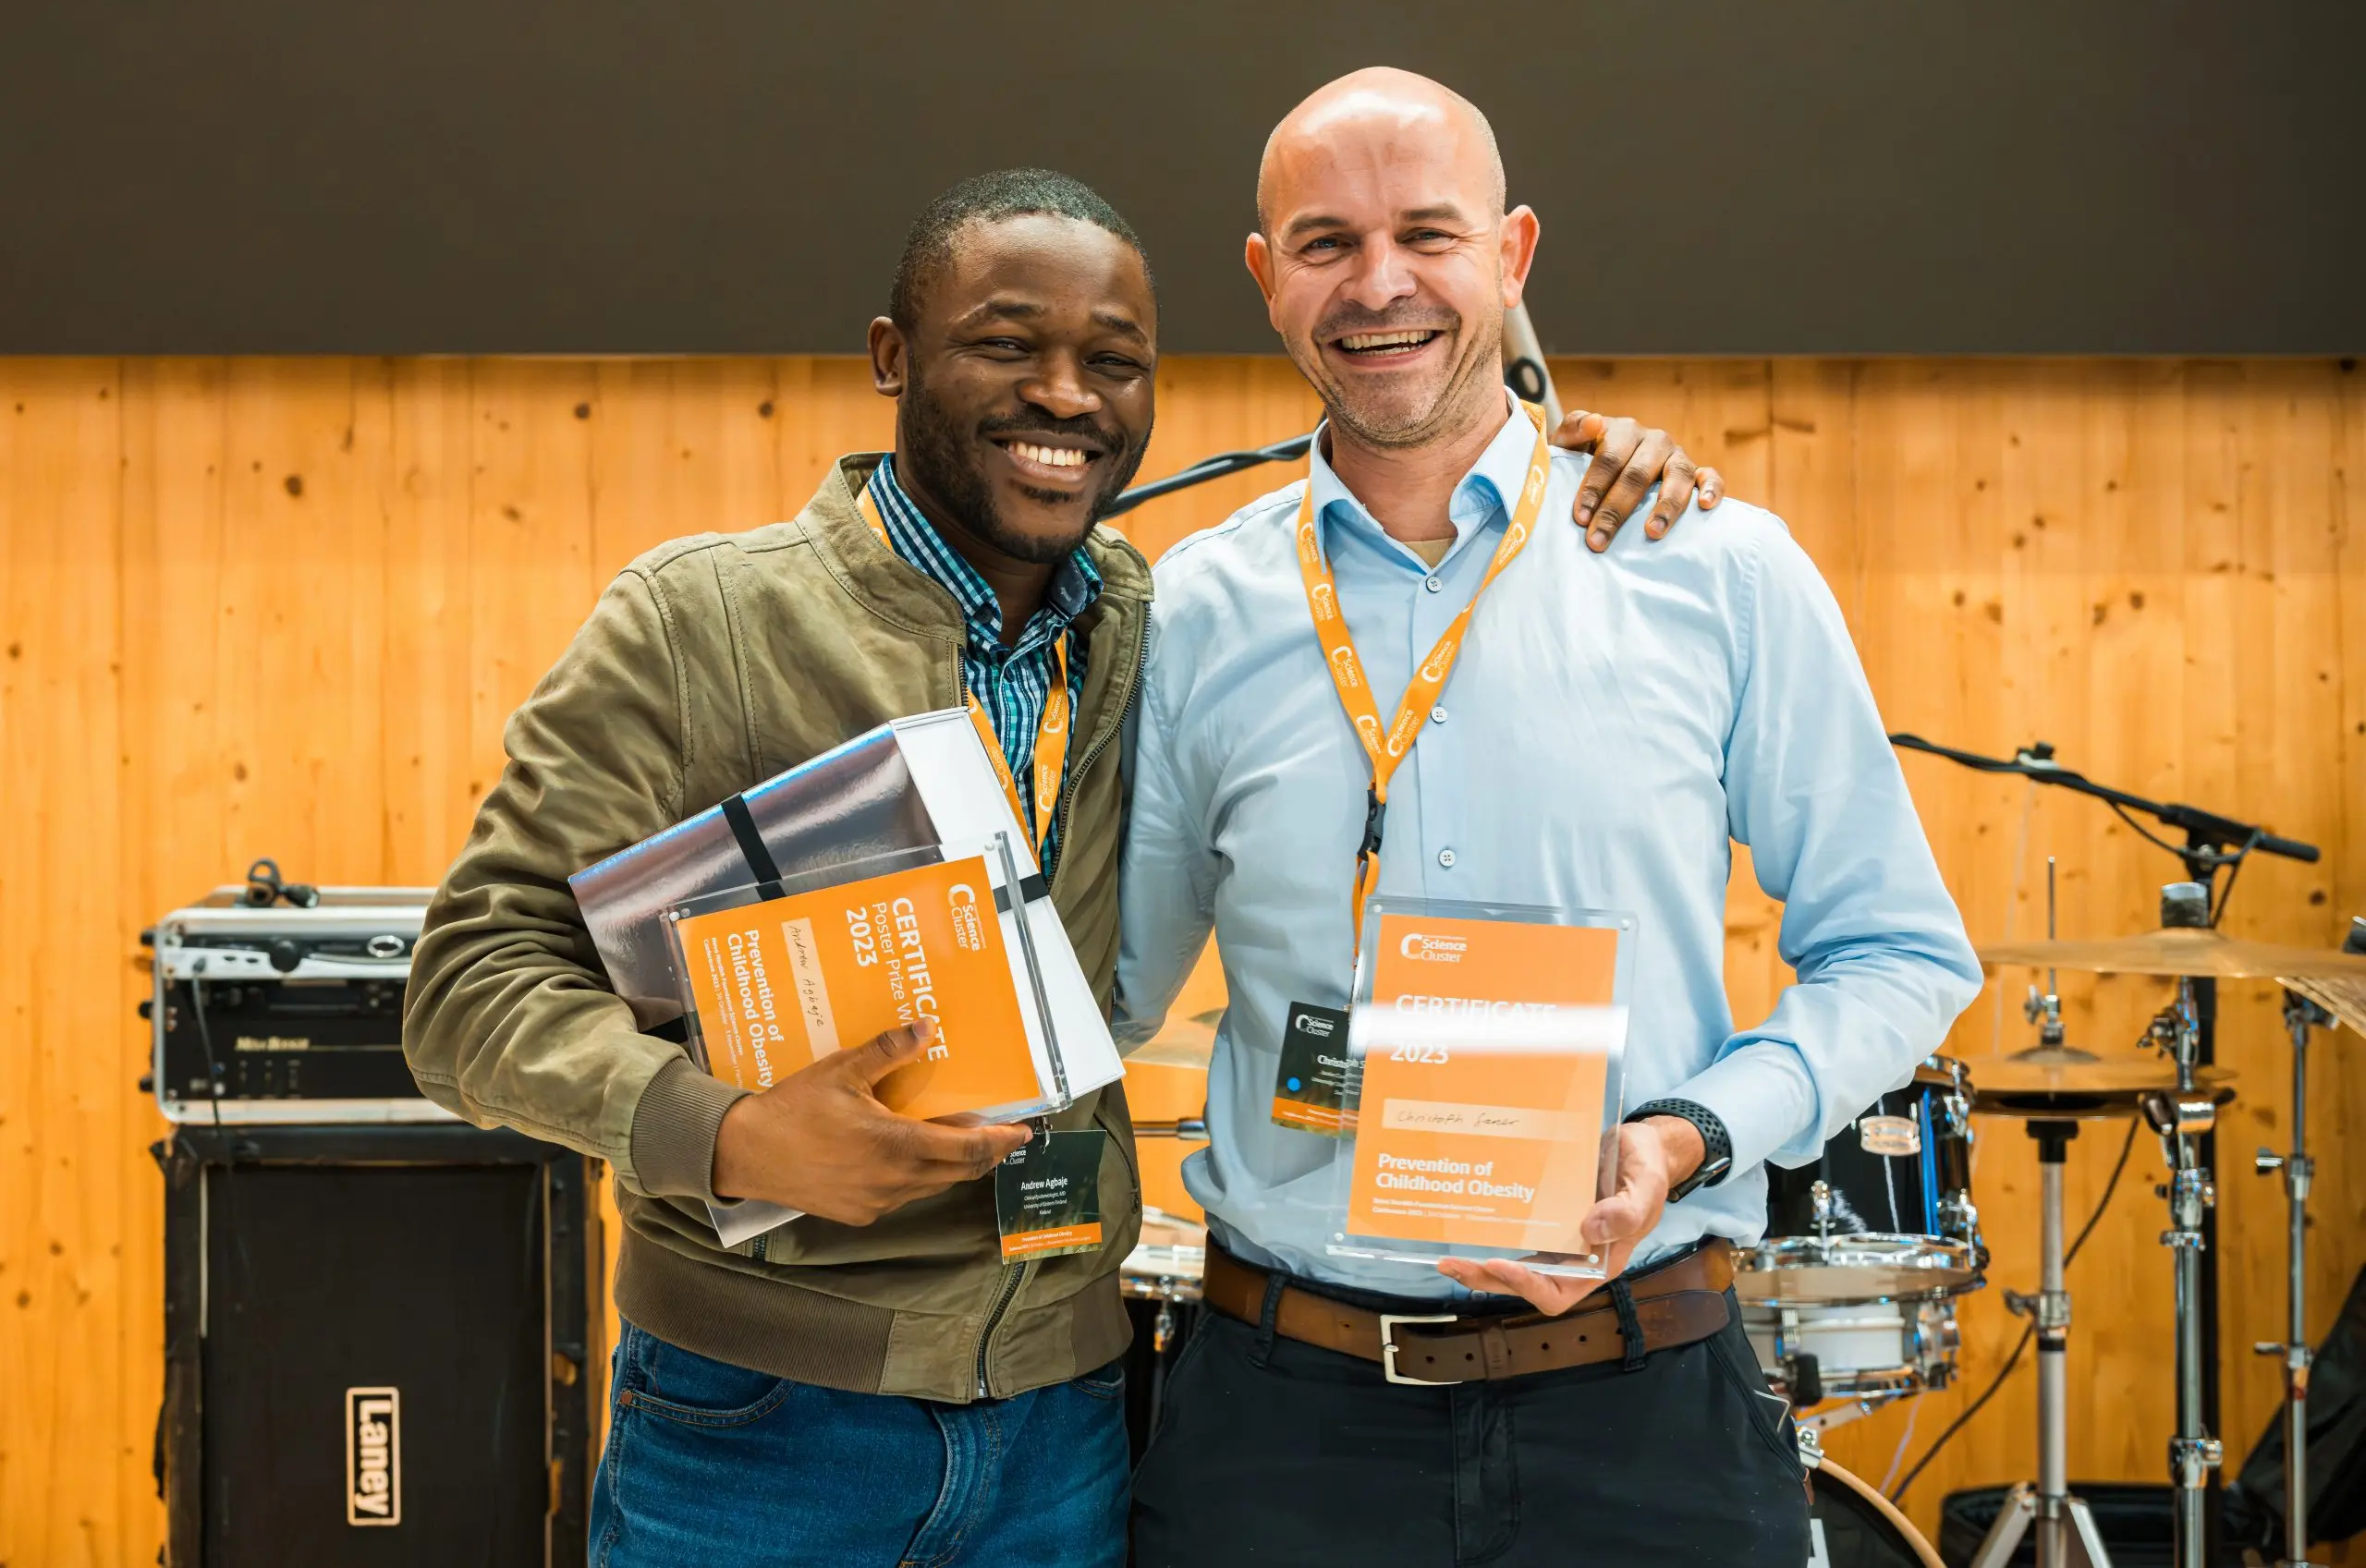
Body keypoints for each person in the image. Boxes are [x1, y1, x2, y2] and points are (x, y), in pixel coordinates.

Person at [403, 165, 1722, 1566]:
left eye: (1115, 362)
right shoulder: (698, 620)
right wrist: (721, 1131)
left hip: (1064, 1425)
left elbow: (1427, 474)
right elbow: (468, 987)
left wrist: (1598, 453)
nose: (1067, 396)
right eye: (1005, 343)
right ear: (890, 357)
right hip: (758, 1424)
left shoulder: (1155, 623)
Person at [1113, 69, 1983, 1566]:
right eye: (1325, 243)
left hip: (1648, 1413)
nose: (1379, 284)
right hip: (1283, 1432)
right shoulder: (1193, 606)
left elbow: (1901, 952)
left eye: (1427, 235)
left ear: (1512, 256)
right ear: (1264, 281)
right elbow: (1107, 986)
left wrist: (1690, 1135)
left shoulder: (1713, 567)